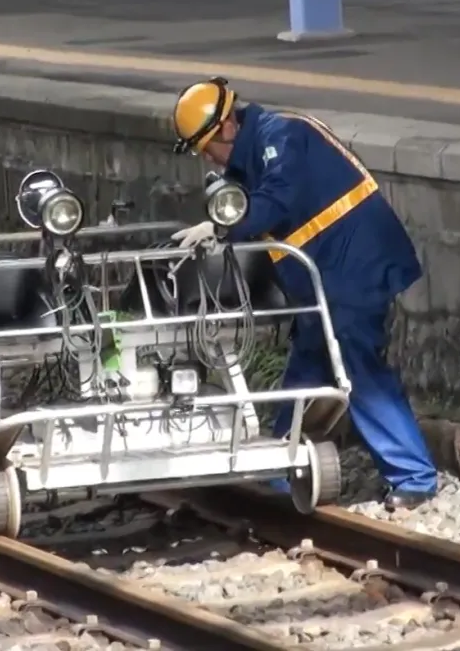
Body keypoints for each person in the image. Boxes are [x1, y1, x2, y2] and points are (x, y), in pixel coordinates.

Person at [169, 77, 437, 511]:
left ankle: (414, 476)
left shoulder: (283, 135)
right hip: (324, 273)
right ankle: (279, 468)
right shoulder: (254, 152)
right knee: (309, 363)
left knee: (358, 364)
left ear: (225, 129)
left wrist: (223, 226)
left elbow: (277, 200)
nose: (208, 160)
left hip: (354, 264)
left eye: (205, 148)